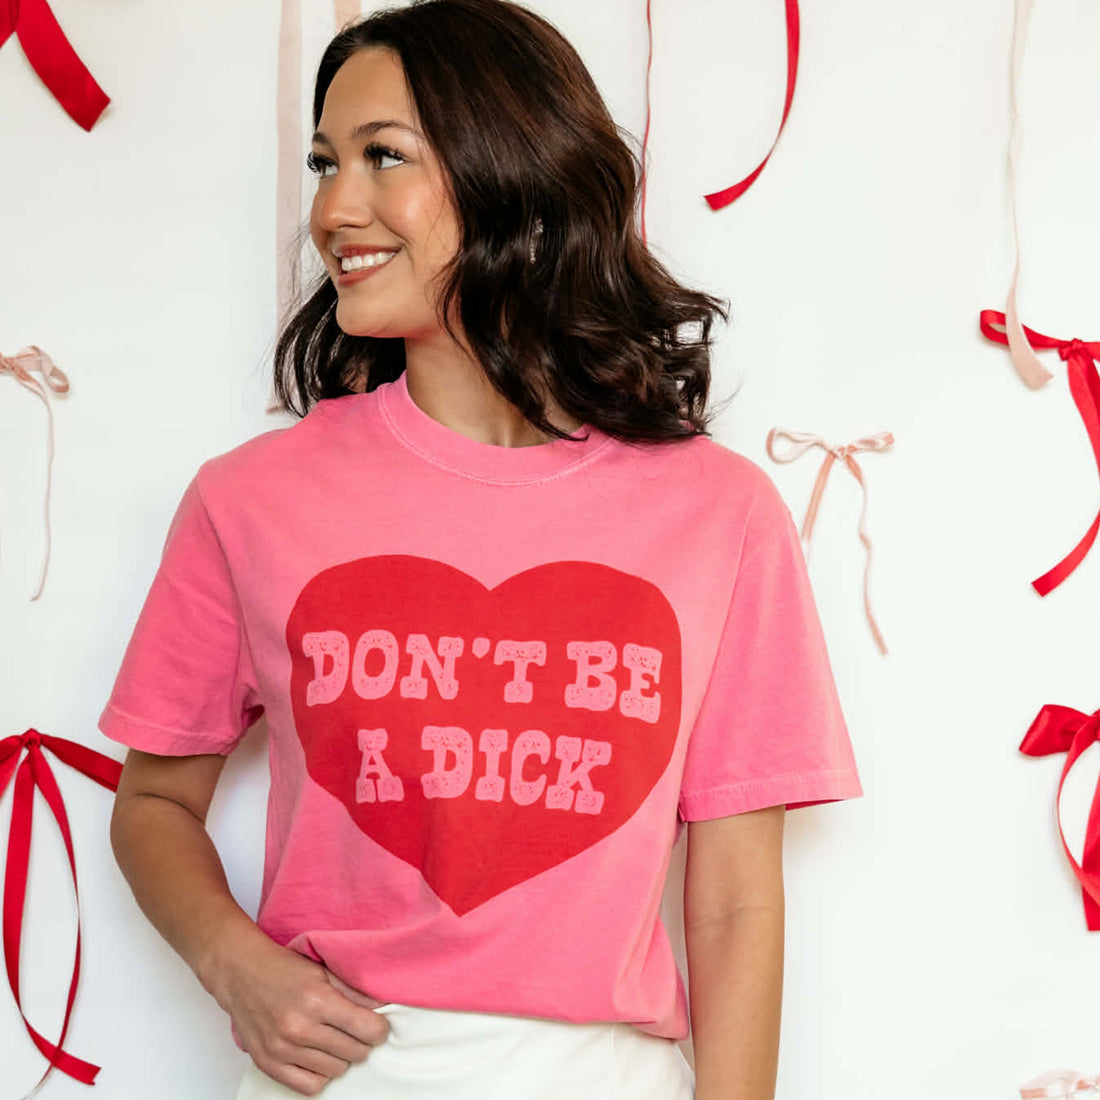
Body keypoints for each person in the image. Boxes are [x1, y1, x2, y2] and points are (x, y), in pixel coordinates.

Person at [102, 1, 862, 1098]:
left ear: (512, 170)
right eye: (323, 162)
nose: (330, 207)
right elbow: (152, 800)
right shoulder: (250, 499)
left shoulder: (717, 513)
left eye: (381, 157)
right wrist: (237, 966)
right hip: (337, 1076)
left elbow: (737, 893)